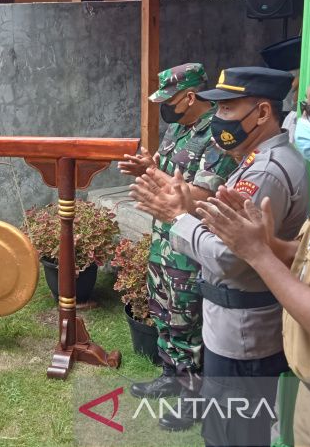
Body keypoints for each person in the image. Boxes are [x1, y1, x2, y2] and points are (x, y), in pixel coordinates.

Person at [131, 66, 309, 447]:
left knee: (235, 432)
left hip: (244, 328)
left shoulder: (266, 171)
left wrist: (177, 218)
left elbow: (233, 257)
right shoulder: (254, 160)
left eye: (228, 109)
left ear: (262, 113)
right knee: (227, 426)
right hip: (232, 323)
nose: (220, 119)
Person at [196, 49, 310, 447]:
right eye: (303, 107)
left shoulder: (270, 167)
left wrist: (257, 252)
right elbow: (309, 255)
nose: (303, 122)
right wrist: (273, 245)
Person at [118, 63, 236, 431]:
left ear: (189, 97)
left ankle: (193, 398)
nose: (163, 108)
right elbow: (168, 170)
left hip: (190, 245)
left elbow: (199, 194)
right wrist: (147, 167)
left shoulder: (217, 135)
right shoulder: (176, 128)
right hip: (163, 242)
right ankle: (170, 375)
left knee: (187, 319)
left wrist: (155, 177)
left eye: (168, 100)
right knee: (164, 312)